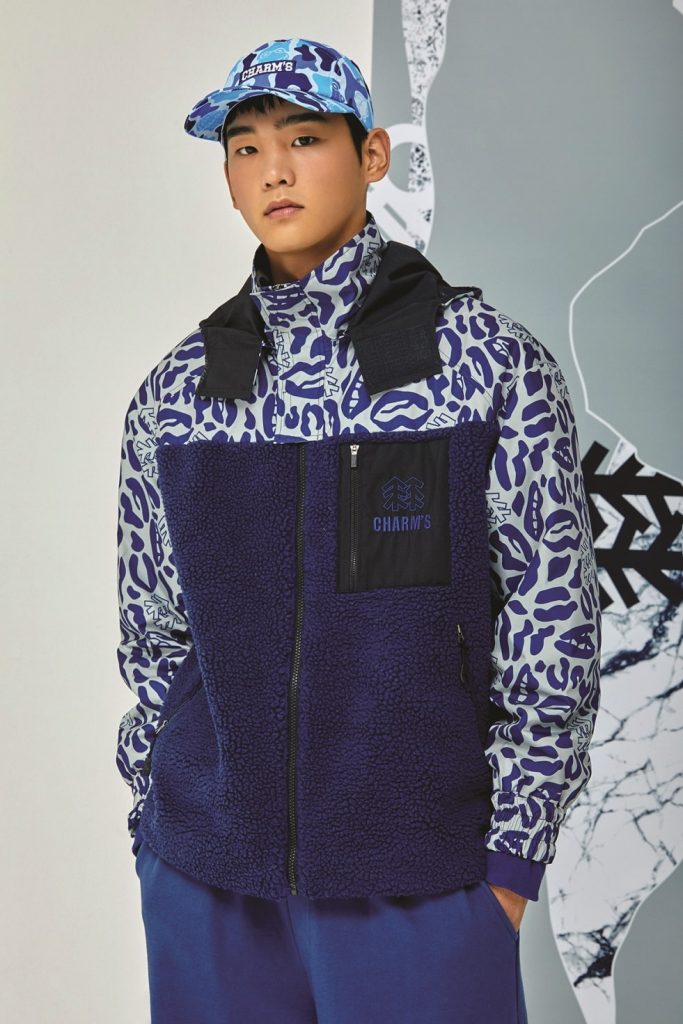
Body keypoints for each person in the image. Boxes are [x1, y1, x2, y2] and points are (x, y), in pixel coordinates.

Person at [115, 36, 602, 1024]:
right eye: (244, 148)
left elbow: (550, 622)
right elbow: (152, 634)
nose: (274, 170)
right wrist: (157, 829)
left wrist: (507, 866)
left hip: (419, 885)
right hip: (207, 885)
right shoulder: (177, 395)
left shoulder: (484, 367)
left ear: (371, 155)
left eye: (303, 138)